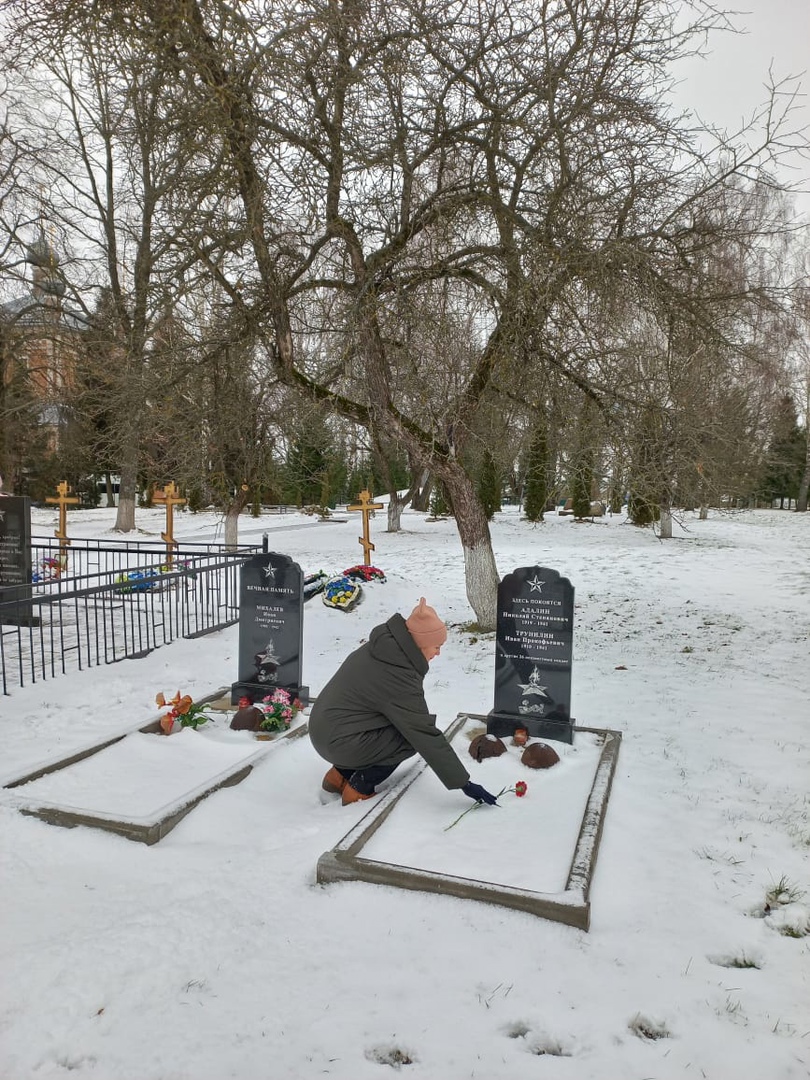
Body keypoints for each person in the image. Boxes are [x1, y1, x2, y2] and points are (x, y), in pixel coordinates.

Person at [308, 596, 499, 807]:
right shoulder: (398, 673)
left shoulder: (382, 650)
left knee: (399, 725)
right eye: (436, 646)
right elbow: (423, 734)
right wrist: (464, 784)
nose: (438, 653)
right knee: (407, 738)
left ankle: (338, 776)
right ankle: (359, 789)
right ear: (421, 643)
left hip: (326, 730)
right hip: (338, 742)